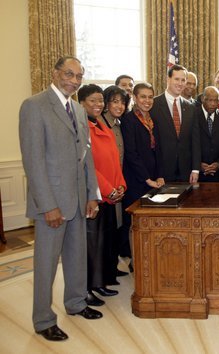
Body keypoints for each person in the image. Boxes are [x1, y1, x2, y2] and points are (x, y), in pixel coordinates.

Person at [19, 56, 102, 342]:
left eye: (79, 76)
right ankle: (43, 320)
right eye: (69, 74)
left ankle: (76, 302)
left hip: (78, 199)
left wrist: (92, 194)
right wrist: (47, 205)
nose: (75, 80)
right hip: (52, 203)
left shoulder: (78, 110)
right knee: (46, 262)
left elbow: (86, 156)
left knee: (76, 256)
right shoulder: (34, 106)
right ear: (55, 73)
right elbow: (33, 161)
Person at [78, 84, 126, 305]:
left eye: (100, 101)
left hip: (110, 195)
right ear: (81, 103)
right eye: (92, 101)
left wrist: (121, 186)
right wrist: (108, 189)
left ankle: (98, 284)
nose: (97, 105)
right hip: (94, 196)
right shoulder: (81, 127)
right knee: (89, 246)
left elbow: (114, 160)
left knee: (102, 244)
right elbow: (88, 166)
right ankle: (85, 289)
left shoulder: (103, 125)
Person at [121, 83, 164, 267]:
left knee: (150, 223)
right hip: (137, 179)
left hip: (154, 179)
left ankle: (148, 259)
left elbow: (159, 150)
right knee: (135, 223)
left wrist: (160, 176)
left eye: (150, 97)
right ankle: (135, 261)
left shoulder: (154, 119)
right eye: (143, 97)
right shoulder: (129, 120)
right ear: (135, 98)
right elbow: (131, 153)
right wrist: (147, 178)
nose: (147, 101)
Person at [150, 65, 200, 183]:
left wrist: (195, 169)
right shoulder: (153, 105)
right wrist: (158, 173)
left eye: (183, 80)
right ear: (168, 79)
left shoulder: (191, 107)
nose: (180, 83)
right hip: (161, 172)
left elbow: (195, 140)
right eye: (176, 79)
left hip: (186, 172)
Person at [101, 86, 131, 270]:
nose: (119, 106)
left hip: (117, 185)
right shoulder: (100, 124)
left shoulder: (118, 124)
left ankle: (110, 270)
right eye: (115, 101)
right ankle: (102, 275)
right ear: (106, 103)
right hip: (104, 189)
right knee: (103, 233)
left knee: (115, 229)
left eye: (122, 102)